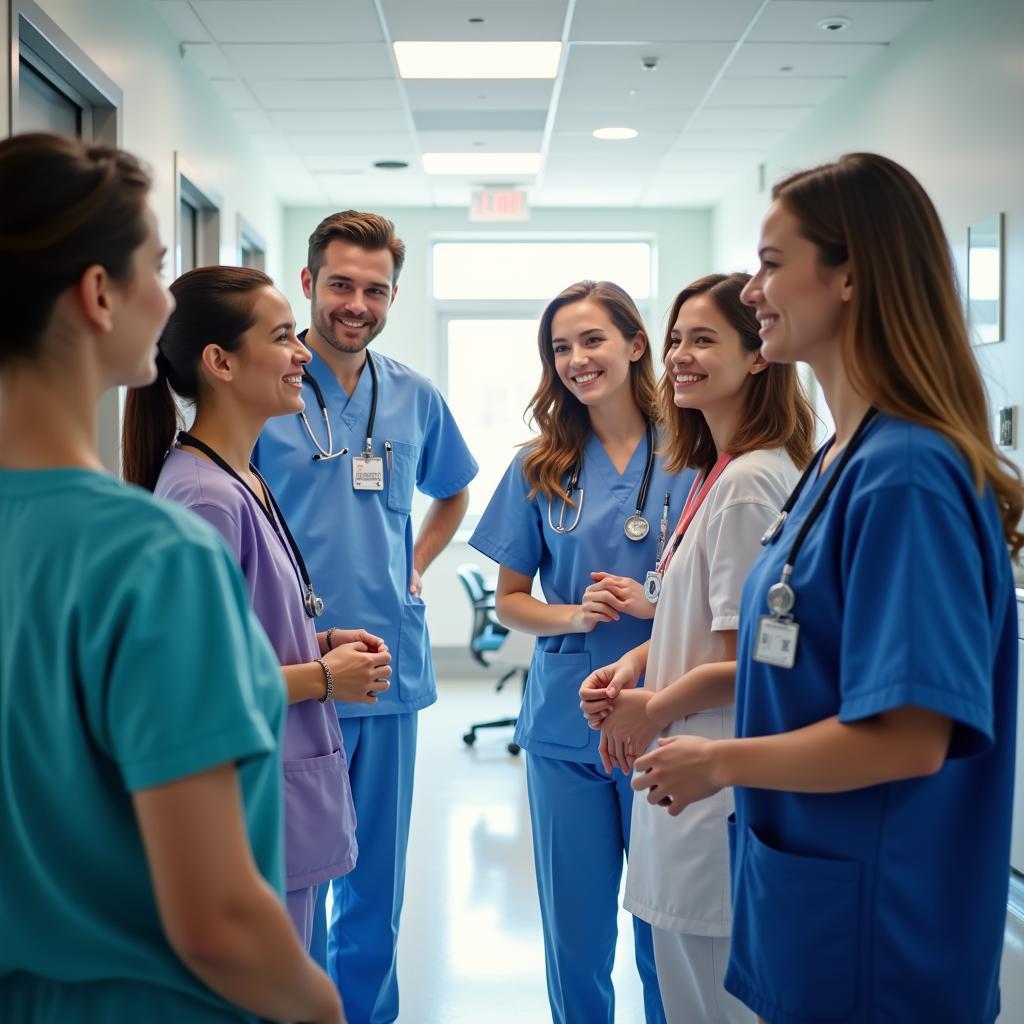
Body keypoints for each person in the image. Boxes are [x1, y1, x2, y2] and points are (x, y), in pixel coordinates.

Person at [632, 153, 1023, 1023]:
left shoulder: (909, 473)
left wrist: (718, 760)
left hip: (880, 924)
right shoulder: (841, 462)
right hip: (810, 889)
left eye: (772, 264)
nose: (755, 291)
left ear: (848, 275)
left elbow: (909, 738)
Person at [0, 132, 342, 1023]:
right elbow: (218, 921)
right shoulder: (153, 555)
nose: (168, 295)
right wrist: (318, 1008)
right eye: (158, 266)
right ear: (99, 295)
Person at [122, 265, 394, 952]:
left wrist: (315, 636)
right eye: (281, 337)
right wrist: (326, 677)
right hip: (250, 813)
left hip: (281, 805)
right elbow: (188, 692)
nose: (304, 352)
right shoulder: (204, 499)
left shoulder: (239, 476)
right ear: (220, 362)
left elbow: (241, 632)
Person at [253, 210, 477, 1023]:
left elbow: (453, 490)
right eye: (341, 284)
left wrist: (416, 563)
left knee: (375, 889)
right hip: (292, 670)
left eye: (375, 289)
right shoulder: (263, 384)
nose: (357, 303)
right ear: (308, 283)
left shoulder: (413, 395)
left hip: (386, 667)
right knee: (297, 881)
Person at [579, 272, 814, 1023]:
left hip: (712, 793)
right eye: (676, 337)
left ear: (758, 356)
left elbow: (751, 659)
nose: (679, 354)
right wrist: (635, 663)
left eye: (703, 339)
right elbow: (697, 618)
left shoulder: (749, 483)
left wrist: (651, 709)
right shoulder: (717, 473)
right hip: (684, 788)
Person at [470, 280, 693, 1024]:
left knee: (667, 931)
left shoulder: (698, 453)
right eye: (560, 347)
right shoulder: (541, 465)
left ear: (635, 345)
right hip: (567, 727)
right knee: (575, 934)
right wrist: (574, 610)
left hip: (673, 718)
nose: (576, 359)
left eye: (592, 340)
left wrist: (651, 607)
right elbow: (509, 600)